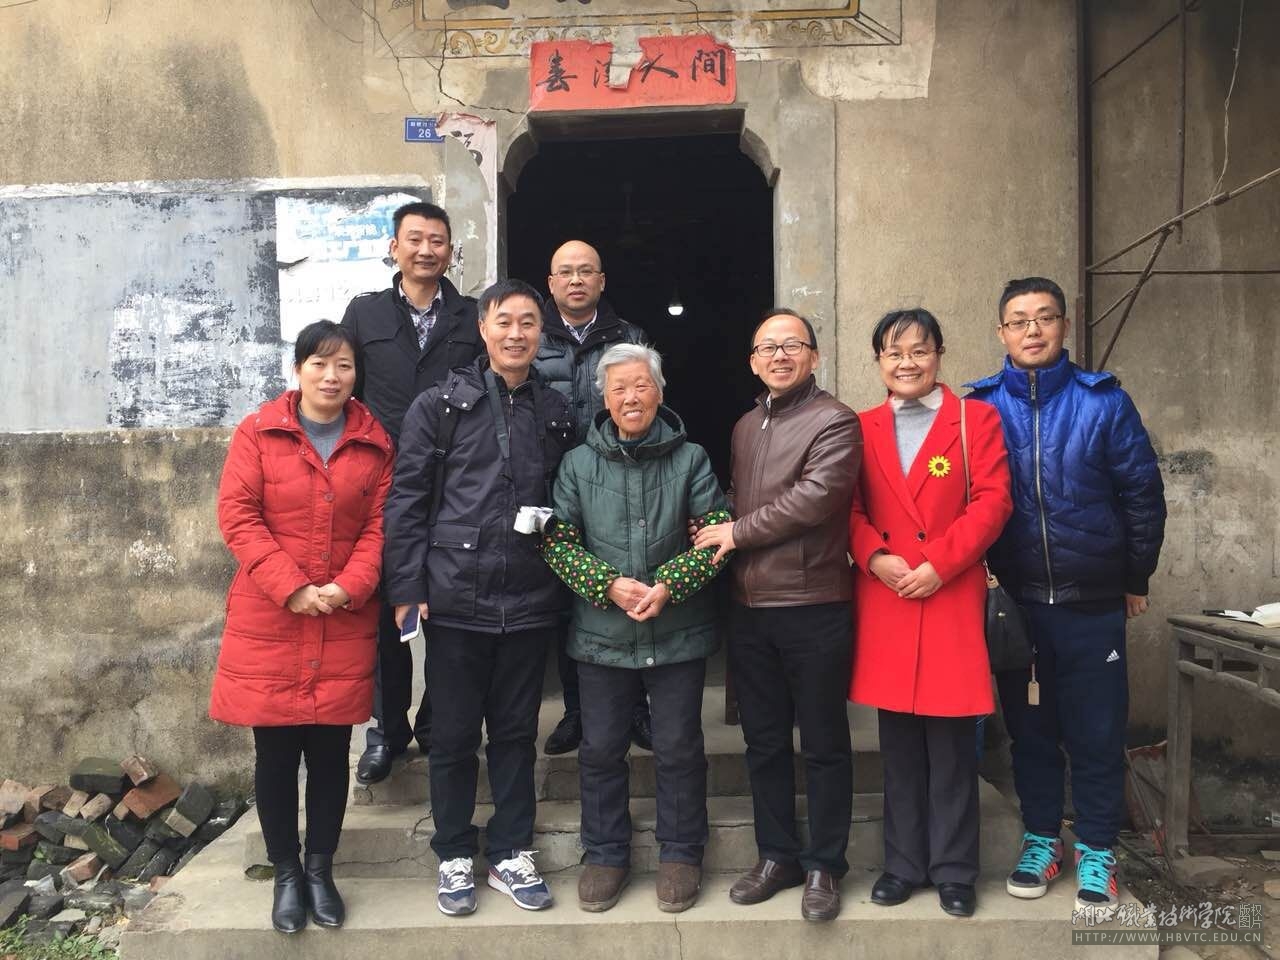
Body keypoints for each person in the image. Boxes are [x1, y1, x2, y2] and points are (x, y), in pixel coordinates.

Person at [966, 277, 1166, 919]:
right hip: (1017, 605)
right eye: (1019, 320)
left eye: (1044, 317)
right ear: (1001, 332)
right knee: (1030, 733)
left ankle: (1099, 849)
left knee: (1097, 732)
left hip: (1092, 603)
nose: (1032, 330)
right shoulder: (979, 409)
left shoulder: (1103, 402)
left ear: (1064, 326)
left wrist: (1135, 578)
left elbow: (1142, 495)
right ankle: (1042, 839)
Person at [383, 278, 575, 917]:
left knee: (517, 732)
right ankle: (454, 853)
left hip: (529, 594)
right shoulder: (440, 405)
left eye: (528, 323)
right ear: (483, 328)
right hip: (455, 596)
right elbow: (407, 500)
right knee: (454, 734)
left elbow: (569, 501)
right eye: (505, 321)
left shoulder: (555, 410)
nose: (516, 334)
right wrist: (408, 586)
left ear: (541, 333)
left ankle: (511, 851)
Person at [210, 320, 393, 934]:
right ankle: (286, 872)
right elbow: (238, 515)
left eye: (344, 366)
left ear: (356, 375)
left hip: (342, 615)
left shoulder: (374, 443)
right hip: (271, 615)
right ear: (298, 369)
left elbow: (382, 526)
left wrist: (349, 585)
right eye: (319, 363)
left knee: (332, 753)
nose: (331, 376)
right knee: (276, 753)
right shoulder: (258, 433)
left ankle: (320, 870)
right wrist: (290, 586)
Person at [541, 343, 730, 914]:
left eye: (641, 385)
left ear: (660, 393)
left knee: (678, 746)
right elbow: (557, 541)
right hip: (601, 634)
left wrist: (668, 583)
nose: (630, 397)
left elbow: (716, 535)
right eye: (618, 387)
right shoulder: (578, 463)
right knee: (600, 748)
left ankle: (682, 852)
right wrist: (608, 585)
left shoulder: (691, 459)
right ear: (603, 397)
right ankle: (605, 854)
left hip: (678, 630)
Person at [694, 308, 861, 922]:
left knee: (823, 742)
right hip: (750, 607)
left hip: (813, 603)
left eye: (793, 345)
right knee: (763, 742)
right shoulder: (745, 425)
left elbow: (814, 500)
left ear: (815, 356)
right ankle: (777, 856)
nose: (780, 356)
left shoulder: (835, 420)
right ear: (753, 361)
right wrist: (708, 524)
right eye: (768, 347)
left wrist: (735, 532)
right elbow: (742, 500)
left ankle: (825, 864)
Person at [848, 309, 1013, 918]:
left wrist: (940, 563)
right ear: (879, 362)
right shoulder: (860, 426)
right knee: (897, 747)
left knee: (951, 748)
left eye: (919, 350)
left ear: (939, 354)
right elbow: (848, 509)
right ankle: (902, 865)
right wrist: (875, 556)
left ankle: (955, 870)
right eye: (894, 353)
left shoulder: (975, 420)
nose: (907, 363)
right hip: (889, 595)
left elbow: (993, 502)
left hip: (950, 593)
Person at [341, 200, 483, 786]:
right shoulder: (365, 312)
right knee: (383, 612)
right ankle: (386, 729)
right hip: (381, 482)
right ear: (394, 247)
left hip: (452, 482)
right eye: (416, 239)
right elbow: (346, 386)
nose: (427, 250)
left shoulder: (471, 316)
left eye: (438, 241)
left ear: (451, 252)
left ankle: (433, 721)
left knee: (447, 609)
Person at [534, 240, 652, 757]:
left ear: (602, 281)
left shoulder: (630, 336)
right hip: (554, 485)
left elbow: (646, 403)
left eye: (586, 271)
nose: (576, 280)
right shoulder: (533, 336)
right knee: (568, 604)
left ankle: (637, 711)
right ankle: (578, 711)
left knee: (633, 588)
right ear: (551, 283)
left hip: (624, 483)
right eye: (566, 272)